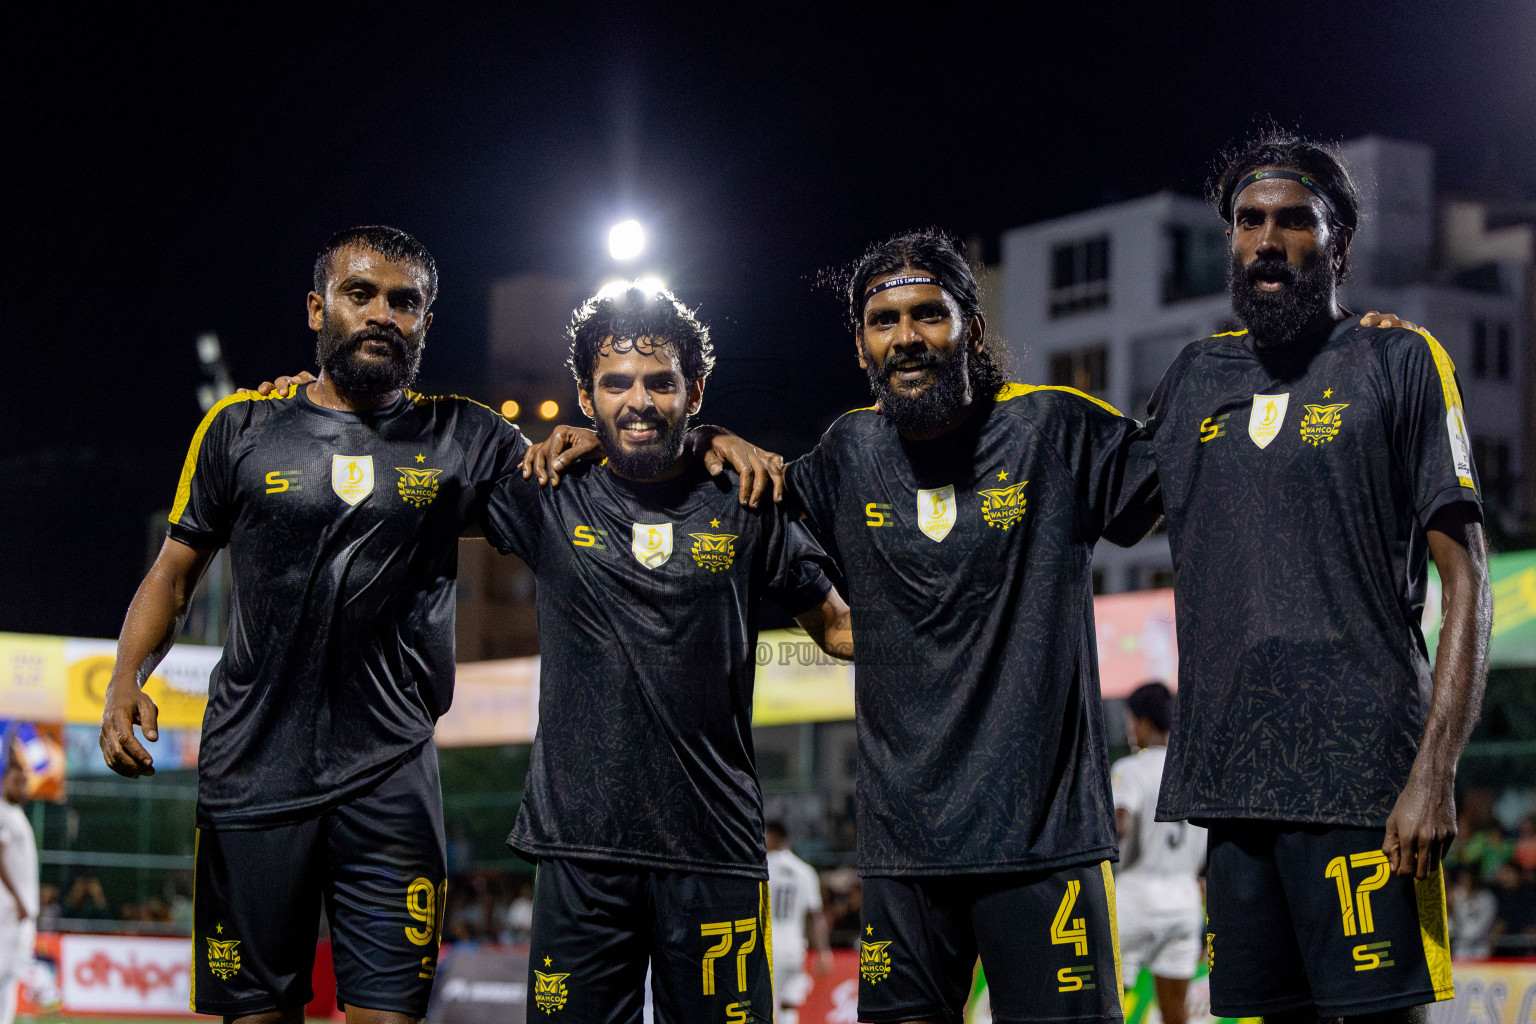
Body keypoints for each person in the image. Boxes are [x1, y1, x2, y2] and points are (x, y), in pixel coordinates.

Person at [98, 225, 531, 1024]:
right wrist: (127, 678)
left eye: (405, 302)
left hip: (391, 778)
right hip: (252, 777)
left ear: (426, 321)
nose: (382, 314)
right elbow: (173, 571)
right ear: (315, 308)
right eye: (359, 293)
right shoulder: (239, 426)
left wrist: (605, 442)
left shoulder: (468, 436)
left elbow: (580, 506)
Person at [1128, 129, 1493, 1022]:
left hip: (1366, 785)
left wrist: (1434, 773)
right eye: (1248, 221)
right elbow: (1091, 497)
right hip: (1232, 793)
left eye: (1295, 221)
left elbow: (1468, 581)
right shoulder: (1194, 377)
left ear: (1340, 245)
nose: (1266, 240)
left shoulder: (1400, 361)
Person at [480, 284, 852, 1023]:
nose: (638, 401)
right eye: (615, 383)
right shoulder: (548, 492)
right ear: (587, 396)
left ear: (695, 389)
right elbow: (406, 467)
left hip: (713, 850)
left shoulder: (746, 497)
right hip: (581, 851)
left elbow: (839, 631)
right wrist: (304, 399)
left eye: (660, 382)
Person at [1110, 682, 1205, 1024]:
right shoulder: (1194, 771)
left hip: (1133, 898)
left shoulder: (1130, 769)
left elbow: (1121, 821)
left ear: (1141, 721)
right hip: (1183, 902)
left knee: (1108, 1009)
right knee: (1175, 1014)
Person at [765, 821, 832, 1024]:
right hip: (795, 946)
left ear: (774, 836)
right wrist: (823, 951)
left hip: (768, 944)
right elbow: (815, 915)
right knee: (788, 1004)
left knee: (768, 1003)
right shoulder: (805, 870)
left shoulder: (762, 866)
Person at [0, 746, 38, 1024]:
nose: (21, 786)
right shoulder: (2, 812)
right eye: (15, 780)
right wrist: (19, 899)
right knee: (3, 972)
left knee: (10, 975)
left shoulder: (15, 813)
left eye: (24, 781)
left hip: (17, 910)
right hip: (10, 910)